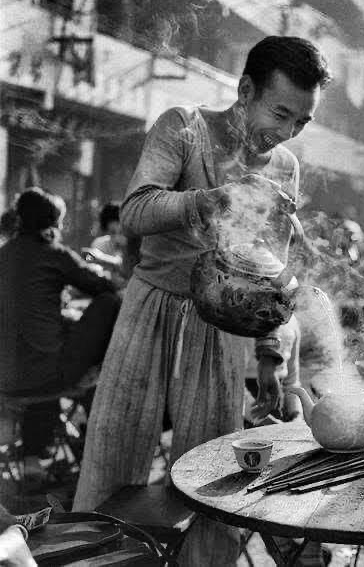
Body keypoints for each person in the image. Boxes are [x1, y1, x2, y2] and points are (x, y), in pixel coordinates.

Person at [73, 36, 332, 565]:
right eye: (280, 114)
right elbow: (137, 212)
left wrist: (270, 354)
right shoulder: (182, 126)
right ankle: (92, 555)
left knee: (214, 470)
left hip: (220, 326)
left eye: (300, 123)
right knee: (114, 450)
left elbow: (271, 274)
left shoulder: (284, 166)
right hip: (151, 306)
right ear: (244, 90)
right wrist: (215, 199)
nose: (286, 133)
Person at [0, 188, 120, 460]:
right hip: (48, 376)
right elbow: (104, 287)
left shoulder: (3, 255)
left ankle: (35, 455)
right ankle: (96, 377)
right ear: (53, 223)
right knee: (109, 303)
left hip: (6, 378)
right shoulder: (54, 253)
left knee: (42, 347)